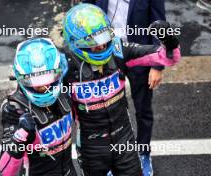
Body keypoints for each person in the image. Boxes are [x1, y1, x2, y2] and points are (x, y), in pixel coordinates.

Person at [62, 4, 181, 176]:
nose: (101, 46)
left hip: (124, 140)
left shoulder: (118, 50)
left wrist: (169, 41)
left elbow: (167, 58)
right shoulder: (65, 65)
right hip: (91, 147)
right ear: (75, 42)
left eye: (103, 38)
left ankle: (144, 155)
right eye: (93, 42)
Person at [0, 38, 77, 176]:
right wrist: (20, 136)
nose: (43, 87)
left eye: (48, 78)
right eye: (34, 80)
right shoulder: (14, 107)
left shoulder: (64, 90)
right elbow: (6, 171)